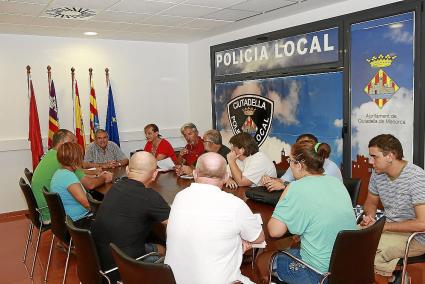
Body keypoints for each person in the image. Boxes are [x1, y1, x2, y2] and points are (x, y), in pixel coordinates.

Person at [165, 152, 265, 284]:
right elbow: (259, 238)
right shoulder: (234, 205)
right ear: (226, 177)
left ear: (195, 174)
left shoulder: (180, 197)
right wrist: (237, 243)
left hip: (173, 280)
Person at [268, 140, 356, 284]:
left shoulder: (297, 187)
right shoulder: (336, 183)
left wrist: (285, 193)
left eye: (290, 160)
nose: (289, 164)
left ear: (300, 165)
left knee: (264, 260)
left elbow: (274, 231)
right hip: (347, 268)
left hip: (318, 273)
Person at [92, 151, 170, 282]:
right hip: (125, 267)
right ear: (155, 174)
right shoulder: (149, 196)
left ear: (127, 170)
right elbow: (177, 225)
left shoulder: (115, 186)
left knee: (160, 248)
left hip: (101, 261)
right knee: (167, 252)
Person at [360, 134, 425, 284]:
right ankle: (393, 278)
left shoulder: (416, 177)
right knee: (349, 243)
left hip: (415, 237)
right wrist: (370, 217)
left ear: (390, 156)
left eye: (374, 157)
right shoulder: (378, 174)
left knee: (370, 254)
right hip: (388, 230)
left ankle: (391, 279)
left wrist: (382, 227)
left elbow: (422, 223)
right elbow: (370, 203)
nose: (371, 162)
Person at [31, 129, 112, 222]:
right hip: (68, 218)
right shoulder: (68, 175)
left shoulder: (60, 168)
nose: (75, 144)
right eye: (72, 142)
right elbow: (88, 198)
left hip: (58, 211)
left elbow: (80, 171)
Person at [262, 133, 342, 191]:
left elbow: (313, 190)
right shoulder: (296, 162)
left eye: (306, 146)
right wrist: (271, 180)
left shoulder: (330, 167)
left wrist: (285, 186)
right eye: (300, 146)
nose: (303, 149)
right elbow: (284, 181)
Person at [50, 142, 94, 229]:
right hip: (78, 222)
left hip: (69, 220)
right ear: (75, 158)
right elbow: (87, 204)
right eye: (81, 156)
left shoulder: (59, 172)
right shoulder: (68, 176)